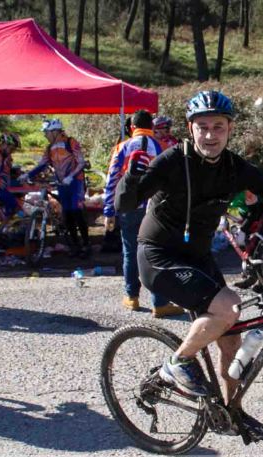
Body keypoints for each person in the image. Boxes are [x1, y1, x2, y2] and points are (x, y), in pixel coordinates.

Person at [115, 90, 263, 441]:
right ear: (190, 129)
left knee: (231, 340)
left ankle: (231, 413)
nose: (210, 135)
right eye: (203, 127)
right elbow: (124, 204)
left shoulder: (235, 168)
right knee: (228, 307)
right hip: (159, 256)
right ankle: (177, 363)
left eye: (218, 127)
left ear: (230, 129)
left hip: (197, 258)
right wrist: (130, 178)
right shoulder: (172, 161)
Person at [103, 110, 184, 318]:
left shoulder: (122, 147)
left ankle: (132, 297)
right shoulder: (163, 147)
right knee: (155, 252)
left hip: (129, 206)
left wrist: (109, 210)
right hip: (156, 209)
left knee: (130, 252)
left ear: (132, 127)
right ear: (152, 126)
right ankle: (161, 303)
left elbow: (112, 179)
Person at [18, 119, 91, 258]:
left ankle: (86, 244)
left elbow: (81, 162)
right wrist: (28, 174)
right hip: (62, 183)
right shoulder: (49, 148)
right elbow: (42, 164)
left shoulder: (70, 142)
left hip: (76, 182)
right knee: (67, 214)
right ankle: (75, 245)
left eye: (47, 132)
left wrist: (71, 176)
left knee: (76, 211)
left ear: (55, 131)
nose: (45, 135)